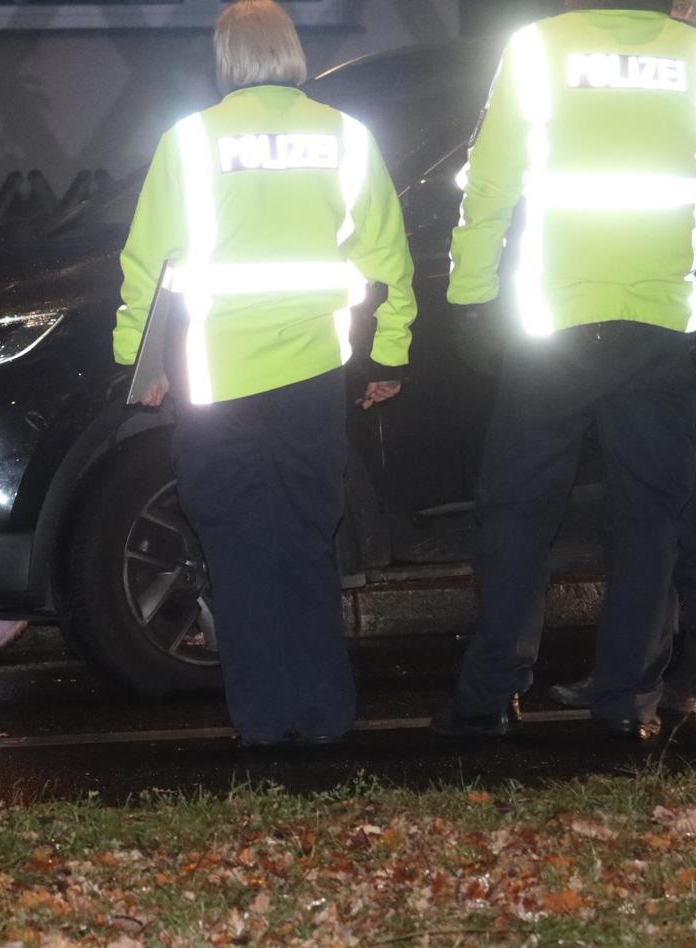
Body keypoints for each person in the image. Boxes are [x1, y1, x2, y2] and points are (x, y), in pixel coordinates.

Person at [114, 0, 416, 748]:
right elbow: (391, 261)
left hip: (218, 384)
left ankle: (264, 724)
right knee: (307, 545)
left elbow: (145, 267)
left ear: (225, 59)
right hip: (314, 375)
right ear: (292, 52)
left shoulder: (189, 143)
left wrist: (139, 362)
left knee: (240, 553)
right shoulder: (346, 139)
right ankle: (325, 718)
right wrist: (393, 353)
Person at [434, 0, 696, 743]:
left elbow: (488, 187)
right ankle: (627, 705)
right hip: (658, 327)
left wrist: (470, 303)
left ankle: (491, 697)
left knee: (516, 515)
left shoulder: (537, 50)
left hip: (553, 328)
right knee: (649, 522)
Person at [541, 0, 696, 720]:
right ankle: (646, 671)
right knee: (657, 512)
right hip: (674, 329)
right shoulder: (679, 84)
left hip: (689, 334)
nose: (683, 15)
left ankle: (683, 671)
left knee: (688, 514)